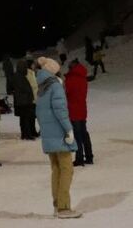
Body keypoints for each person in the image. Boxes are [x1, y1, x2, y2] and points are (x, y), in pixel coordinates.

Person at [34, 57, 81, 219]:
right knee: (67, 170)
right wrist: (69, 130)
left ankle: (57, 205)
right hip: (60, 135)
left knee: (56, 170)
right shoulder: (55, 86)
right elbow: (61, 111)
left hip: (48, 135)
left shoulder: (41, 88)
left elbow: (39, 114)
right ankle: (64, 207)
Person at [64, 58, 92, 167]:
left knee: (77, 135)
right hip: (82, 109)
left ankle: (79, 158)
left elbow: (67, 93)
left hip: (73, 109)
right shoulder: (83, 77)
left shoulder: (71, 79)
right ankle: (89, 156)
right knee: (84, 133)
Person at [12, 59, 37, 140]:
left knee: (25, 118)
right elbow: (23, 88)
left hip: (23, 101)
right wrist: (29, 92)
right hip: (23, 101)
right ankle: (27, 134)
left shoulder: (19, 75)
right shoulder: (19, 76)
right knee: (25, 118)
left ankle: (26, 134)